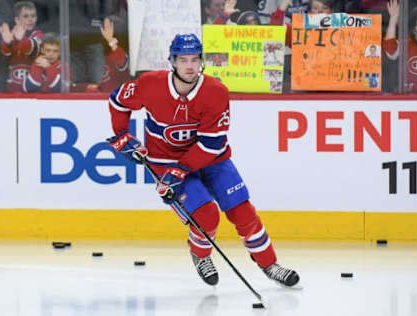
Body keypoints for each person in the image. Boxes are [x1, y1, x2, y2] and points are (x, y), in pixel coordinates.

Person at [106, 34, 300, 287]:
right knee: (206, 215)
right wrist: (122, 135)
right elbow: (118, 100)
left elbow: (211, 145)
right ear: (172, 62)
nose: (189, 65)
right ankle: (201, 255)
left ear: (202, 62)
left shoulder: (215, 92)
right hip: (165, 160)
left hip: (211, 159)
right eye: (183, 59)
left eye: (195, 59)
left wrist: (181, 170)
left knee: (243, 212)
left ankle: (270, 264)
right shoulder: (150, 84)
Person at [384, 0, 417, 92]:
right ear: (412, 27)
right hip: (406, 96)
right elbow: (390, 53)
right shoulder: (407, 43)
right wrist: (393, 19)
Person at [0, 1, 44, 92]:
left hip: (33, 92)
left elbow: (33, 48)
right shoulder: (10, 35)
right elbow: (5, 53)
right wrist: (8, 43)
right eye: (26, 16)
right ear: (17, 20)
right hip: (10, 91)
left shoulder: (39, 34)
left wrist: (19, 40)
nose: (30, 19)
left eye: (33, 16)